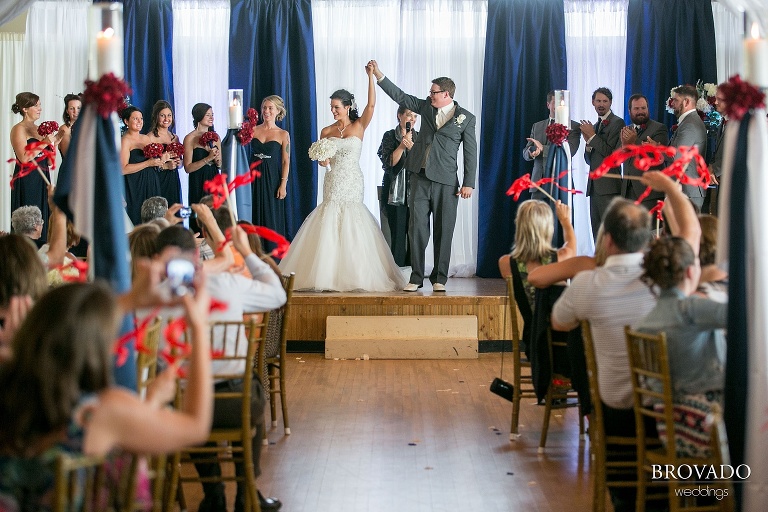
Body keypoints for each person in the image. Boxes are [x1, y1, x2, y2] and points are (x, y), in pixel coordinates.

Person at [0, 258, 215, 510]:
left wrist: (131, 299)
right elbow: (196, 426)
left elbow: (68, 328)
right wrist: (198, 326)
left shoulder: (9, 387)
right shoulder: (101, 411)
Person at [154, 225, 285, 512]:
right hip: (236, 403)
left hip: (186, 406)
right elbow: (278, 296)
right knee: (252, 394)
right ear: (196, 256)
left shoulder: (152, 298)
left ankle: (213, 494)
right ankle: (246, 492)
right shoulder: (227, 284)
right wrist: (248, 252)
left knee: (187, 403)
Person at [278, 64, 406, 292]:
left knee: (352, 220)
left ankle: (355, 274)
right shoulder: (326, 131)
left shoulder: (359, 125)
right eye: (331, 107)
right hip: (333, 180)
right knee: (329, 218)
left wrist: (370, 76)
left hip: (352, 180)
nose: (333, 111)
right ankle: (327, 274)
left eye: (336, 107)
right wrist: (323, 161)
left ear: (348, 107)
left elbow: (371, 105)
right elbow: (323, 159)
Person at [371, 60, 477, 292]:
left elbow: (471, 152)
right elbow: (401, 96)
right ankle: (416, 277)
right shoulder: (426, 108)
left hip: (446, 182)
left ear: (446, 94)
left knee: (443, 230)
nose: (429, 95)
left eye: (433, 92)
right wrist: (379, 75)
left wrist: (469, 183)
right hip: (419, 177)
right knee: (416, 228)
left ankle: (439, 278)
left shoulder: (466, 118)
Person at [637, 236, 726, 458]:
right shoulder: (690, 309)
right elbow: (743, 315)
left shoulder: (644, 323)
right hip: (706, 425)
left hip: (668, 425)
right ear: (690, 271)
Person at [10, 92, 59, 243]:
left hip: (42, 178)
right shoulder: (18, 129)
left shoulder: (39, 129)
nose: (40, 109)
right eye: (36, 106)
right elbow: (24, 157)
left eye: (40, 105)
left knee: (43, 218)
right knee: (29, 222)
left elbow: (49, 162)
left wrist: (55, 144)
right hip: (28, 179)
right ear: (25, 109)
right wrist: (44, 143)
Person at [580, 87, 625, 239]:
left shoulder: (618, 122)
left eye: (605, 101)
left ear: (610, 103)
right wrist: (588, 144)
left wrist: (592, 136)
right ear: (593, 102)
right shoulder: (594, 125)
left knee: (609, 231)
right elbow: (589, 160)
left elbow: (612, 155)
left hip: (609, 187)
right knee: (596, 231)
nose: (601, 104)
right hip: (594, 187)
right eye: (598, 101)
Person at [377, 105, 417, 267]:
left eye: (415, 116)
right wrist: (402, 145)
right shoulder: (389, 136)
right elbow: (389, 163)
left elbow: (423, 164)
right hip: (395, 192)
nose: (412, 119)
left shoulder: (420, 137)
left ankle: (413, 272)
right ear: (399, 116)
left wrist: (413, 147)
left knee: (415, 234)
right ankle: (398, 270)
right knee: (398, 233)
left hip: (416, 192)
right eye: (409, 115)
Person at [522, 90, 581, 201]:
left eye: (561, 102)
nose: (558, 105)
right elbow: (526, 152)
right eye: (555, 102)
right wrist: (532, 152)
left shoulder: (573, 126)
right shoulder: (537, 126)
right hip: (538, 185)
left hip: (561, 184)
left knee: (561, 213)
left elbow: (569, 151)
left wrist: (542, 148)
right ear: (548, 105)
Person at [251, 95, 291, 245]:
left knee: (271, 214)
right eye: (264, 108)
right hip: (253, 177)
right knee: (253, 212)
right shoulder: (253, 130)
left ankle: (271, 252)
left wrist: (283, 185)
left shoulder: (283, 134)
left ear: (278, 111)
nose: (266, 111)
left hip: (272, 179)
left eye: (270, 108)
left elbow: (285, 161)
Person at [620, 94, 669, 211]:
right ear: (629, 111)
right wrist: (624, 147)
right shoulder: (627, 130)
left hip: (649, 193)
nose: (640, 112)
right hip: (627, 192)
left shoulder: (659, 128)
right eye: (636, 108)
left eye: (643, 108)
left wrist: (634, 141)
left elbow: (658, 157)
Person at [120, 106, 165, 226]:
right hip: (136, 185)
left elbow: (153, 161)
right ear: (126, 121)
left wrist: (162, 160)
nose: (140, 121)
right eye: (135, 118)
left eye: (141, 118)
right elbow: (123, 169)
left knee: (155, 218)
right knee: (139, 218)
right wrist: (148, 163)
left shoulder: (146, 138)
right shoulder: (125, 141)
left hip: (151, 181)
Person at [666, 85, 707, 209]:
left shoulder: (689, 124)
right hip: (687, 190)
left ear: (686, 102)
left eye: (676, 100)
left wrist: (655, 150)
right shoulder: (689, 121)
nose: (672, 103)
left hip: (688, 191)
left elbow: (676, 157)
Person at [183, 103, 222, 211]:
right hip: (198, 180)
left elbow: (220, 164)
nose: (211, 118)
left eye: (212, 115)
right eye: (208, 115)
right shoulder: (190, 138)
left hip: (214, 177)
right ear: (199, 116)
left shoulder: (216, 137)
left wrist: (217, 160)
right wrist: (207, 158)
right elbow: (188, 168)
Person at [147, 100, 182, 206]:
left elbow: (181, 163)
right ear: (156, 117)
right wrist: (165, 166)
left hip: (173, 179)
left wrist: (179, 163)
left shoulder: (175, 137)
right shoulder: (150, 137)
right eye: (162, 115)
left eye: (169, 115)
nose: (166, 119)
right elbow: (148, 166)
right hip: (158, 180)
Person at [702, 84, 727, 216]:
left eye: (720, 99)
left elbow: (735, 154)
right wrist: (711, 168)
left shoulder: (737, 124)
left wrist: (714, 170)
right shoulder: (723, 121)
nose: (715, 102)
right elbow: (718, 151)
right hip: (721, 182)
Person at [58, 92, 82, 158]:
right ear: (67, 111)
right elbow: (69, 156)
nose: (75, 111)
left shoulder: (85, 127)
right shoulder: (64, 129)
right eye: (71, 108)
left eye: (78, 108)